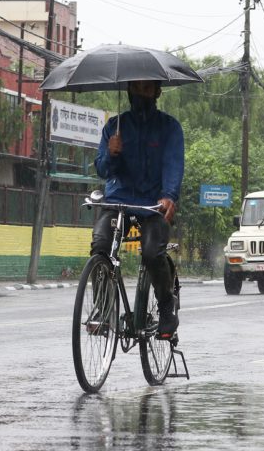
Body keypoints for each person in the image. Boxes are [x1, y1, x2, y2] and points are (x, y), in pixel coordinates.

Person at [92, 79, 184, 340]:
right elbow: (102, 169)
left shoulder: (169, 128)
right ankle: (103, 308)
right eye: (136, 88)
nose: (141, 94)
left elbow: (173, 164)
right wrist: (111, 153)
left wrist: (169, 196)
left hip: (154, 204)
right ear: (128, 91)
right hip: (118, 199)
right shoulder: (114, 127)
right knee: (101, 245)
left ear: (157, 92)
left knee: (153, 252)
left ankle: (166, 306)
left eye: (147, 89)